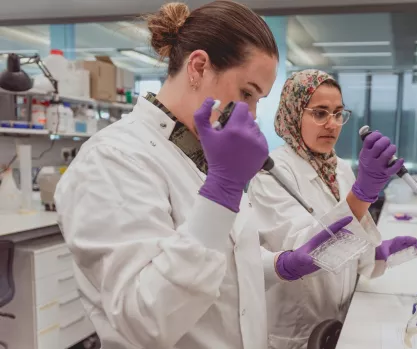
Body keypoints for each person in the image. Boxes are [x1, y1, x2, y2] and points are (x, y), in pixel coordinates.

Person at [54, 3, 352, 349]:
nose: (252, 114)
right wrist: (222, 191)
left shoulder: (200, 153)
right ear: (198, 67)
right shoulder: (113, 159)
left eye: (258, 99)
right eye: (246, 93)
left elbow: (221, 264)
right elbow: (145, 318)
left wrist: (280, 265)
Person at [247, 69, 417, 349]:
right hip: (295, 329)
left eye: (338, 113)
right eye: (319, 113)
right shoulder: (271, 172)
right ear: (294, 114)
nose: (332, 124)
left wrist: (376, 253)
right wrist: (362, 194)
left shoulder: (339, 169)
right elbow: (303, 248)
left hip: (339, 318)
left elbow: (350, 246)